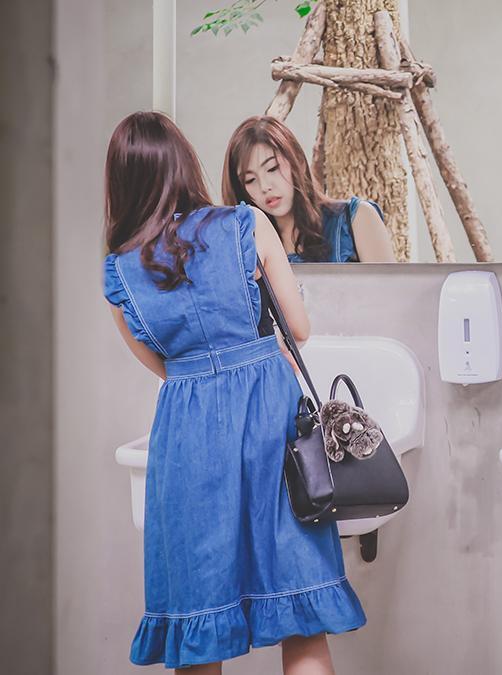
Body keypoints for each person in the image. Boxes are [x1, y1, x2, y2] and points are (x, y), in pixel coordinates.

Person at [102, 111, 366, 673]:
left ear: (121, 184)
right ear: (185, 164)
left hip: (189, 435)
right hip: (269, 418)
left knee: (200, 623)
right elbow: (297, 328)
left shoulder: (120, 272)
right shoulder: (246, 226)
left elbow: (163, 367)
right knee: (301, 613)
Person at [222, 116, 396, 263]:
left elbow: (390, 297)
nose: (264, 186)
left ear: (298, 161)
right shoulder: (247, 248)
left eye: (272, 168)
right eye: (250, 179)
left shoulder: (356, 218)